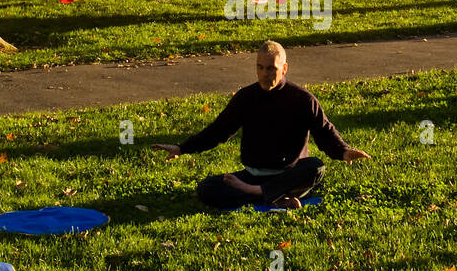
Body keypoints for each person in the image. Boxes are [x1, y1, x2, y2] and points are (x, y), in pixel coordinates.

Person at [153, 40, 370, 209]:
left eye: (271, 69)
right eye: (261, 68)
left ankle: (256, 193)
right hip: (252, 175)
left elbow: (324, 131)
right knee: (207, 188)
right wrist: (182, 148)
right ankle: (270, 196)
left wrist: (344, 151)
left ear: (284, 69)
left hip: (287, 174)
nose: (265, 74)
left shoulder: (302, 99)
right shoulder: (246, 97)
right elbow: (218, 131)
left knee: (315, 168)